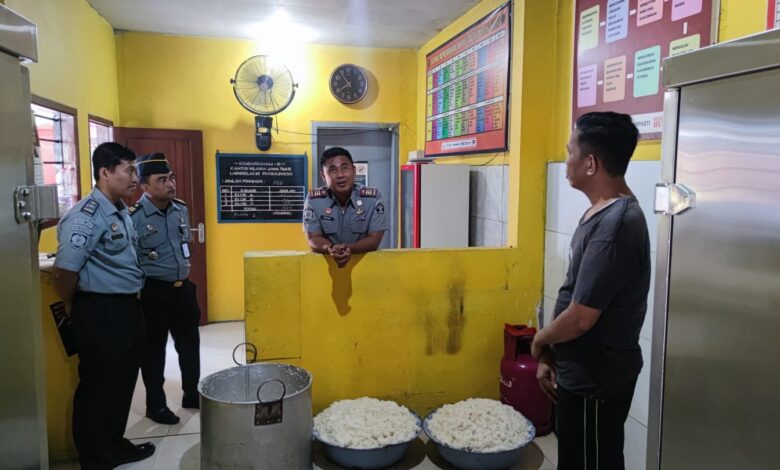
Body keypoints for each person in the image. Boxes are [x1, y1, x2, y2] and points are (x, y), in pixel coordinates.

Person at [531, 112, 651, 470]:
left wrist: (540, 341)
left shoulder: (615, 225)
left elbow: (581, 317)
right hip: (581, 373)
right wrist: (552, 355)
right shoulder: (601, 214)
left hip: (597, 380)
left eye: (571, 152)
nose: (566, 160)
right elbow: (575, 295)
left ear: (591, 163)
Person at [53, 142, 155, 468]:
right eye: (129, 171)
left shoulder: (120, 210)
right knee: (99, 387)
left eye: (135, 171)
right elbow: (65, 272)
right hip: (100, 312)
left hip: (127, 309)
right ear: (105, 172)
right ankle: (94, 457)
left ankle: (114, 445)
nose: (135, 178)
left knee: (121, 384)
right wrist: (72, 304)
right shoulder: (85, 216)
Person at [129, 153, 201, 425]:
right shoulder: (133, 217)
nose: (171, 184)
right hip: (153, 292)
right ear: (145, 186)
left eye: (171, 178)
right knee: (153, 352)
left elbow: (186, 245)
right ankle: (156, 405)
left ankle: (192, 394)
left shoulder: (180, 208)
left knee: (189, 346)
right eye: (162, 180)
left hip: (183, 289)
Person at [303, 147, 388, 267]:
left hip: (365, 268)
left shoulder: (373, 199)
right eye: (333, 170)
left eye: (344, 168)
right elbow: (313, 238)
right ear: (323, 176)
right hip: (325, 271)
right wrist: (331, 248)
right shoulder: (314, 200)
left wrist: (350, 249)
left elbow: (374, 239)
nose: (340, 175)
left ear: (354, 170)